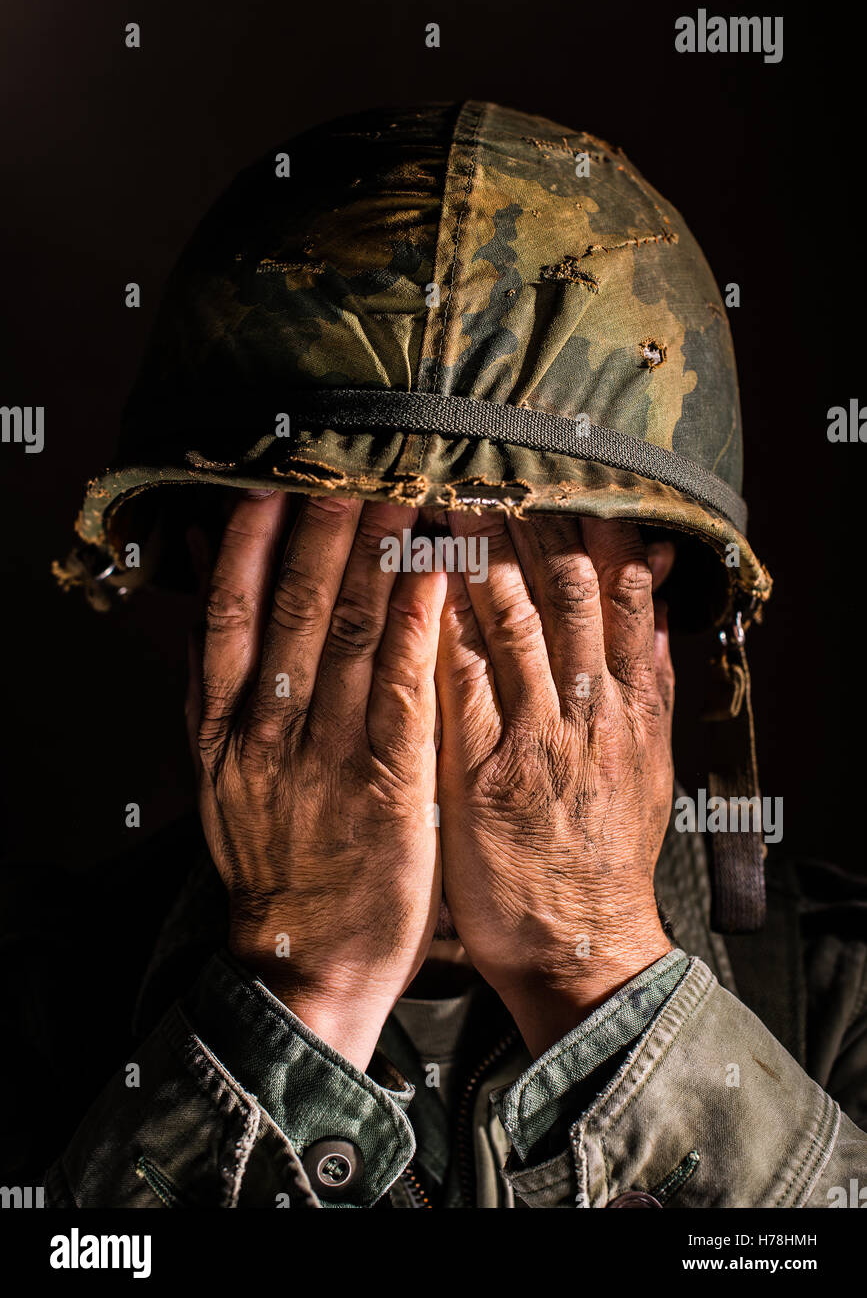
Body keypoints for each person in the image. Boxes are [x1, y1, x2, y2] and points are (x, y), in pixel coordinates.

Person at [16, 101, 866, 1208]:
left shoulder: (840, 999)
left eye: (508, 554)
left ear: (652, 593)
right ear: (212, 568)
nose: (422, 642)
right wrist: (294, 994)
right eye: (362, 553)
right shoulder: (35, 1000)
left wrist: (597, 966)